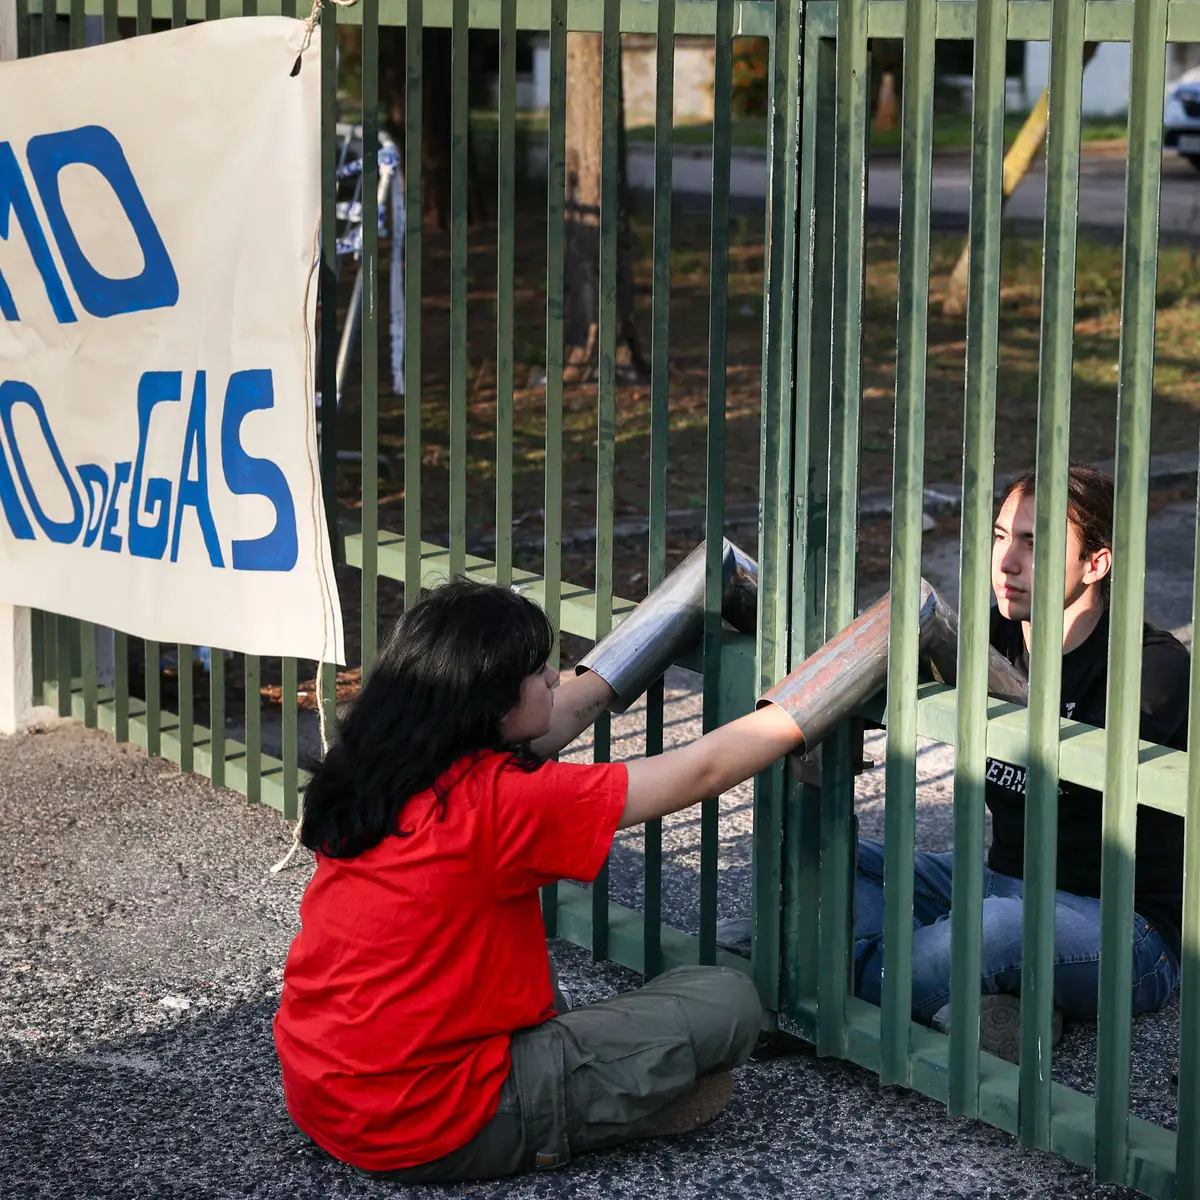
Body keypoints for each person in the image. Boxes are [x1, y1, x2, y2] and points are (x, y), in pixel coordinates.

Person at [273, 578, 805, 1182]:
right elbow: (701, 769)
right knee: (727, 999)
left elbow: (564, 705)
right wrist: (834, 679)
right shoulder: (499, 802)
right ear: (489, 701)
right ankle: (575, 1110)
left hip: (326, 1090)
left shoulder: (376, 765)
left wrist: (677, 606)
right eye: (535, 669)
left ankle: (584, 1083)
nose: (555, 676)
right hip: (433, 1123)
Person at [854, 466, 1189, 1062]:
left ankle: (820, 969)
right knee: (833, 861)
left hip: (1125, 928)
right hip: (1000, 886)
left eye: (1034, 543)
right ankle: (982, 1000)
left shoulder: (1151, 669)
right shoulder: (990, 637)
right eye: (1002, 535)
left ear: (1096, 564)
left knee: (980, 936)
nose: (1006, 561)